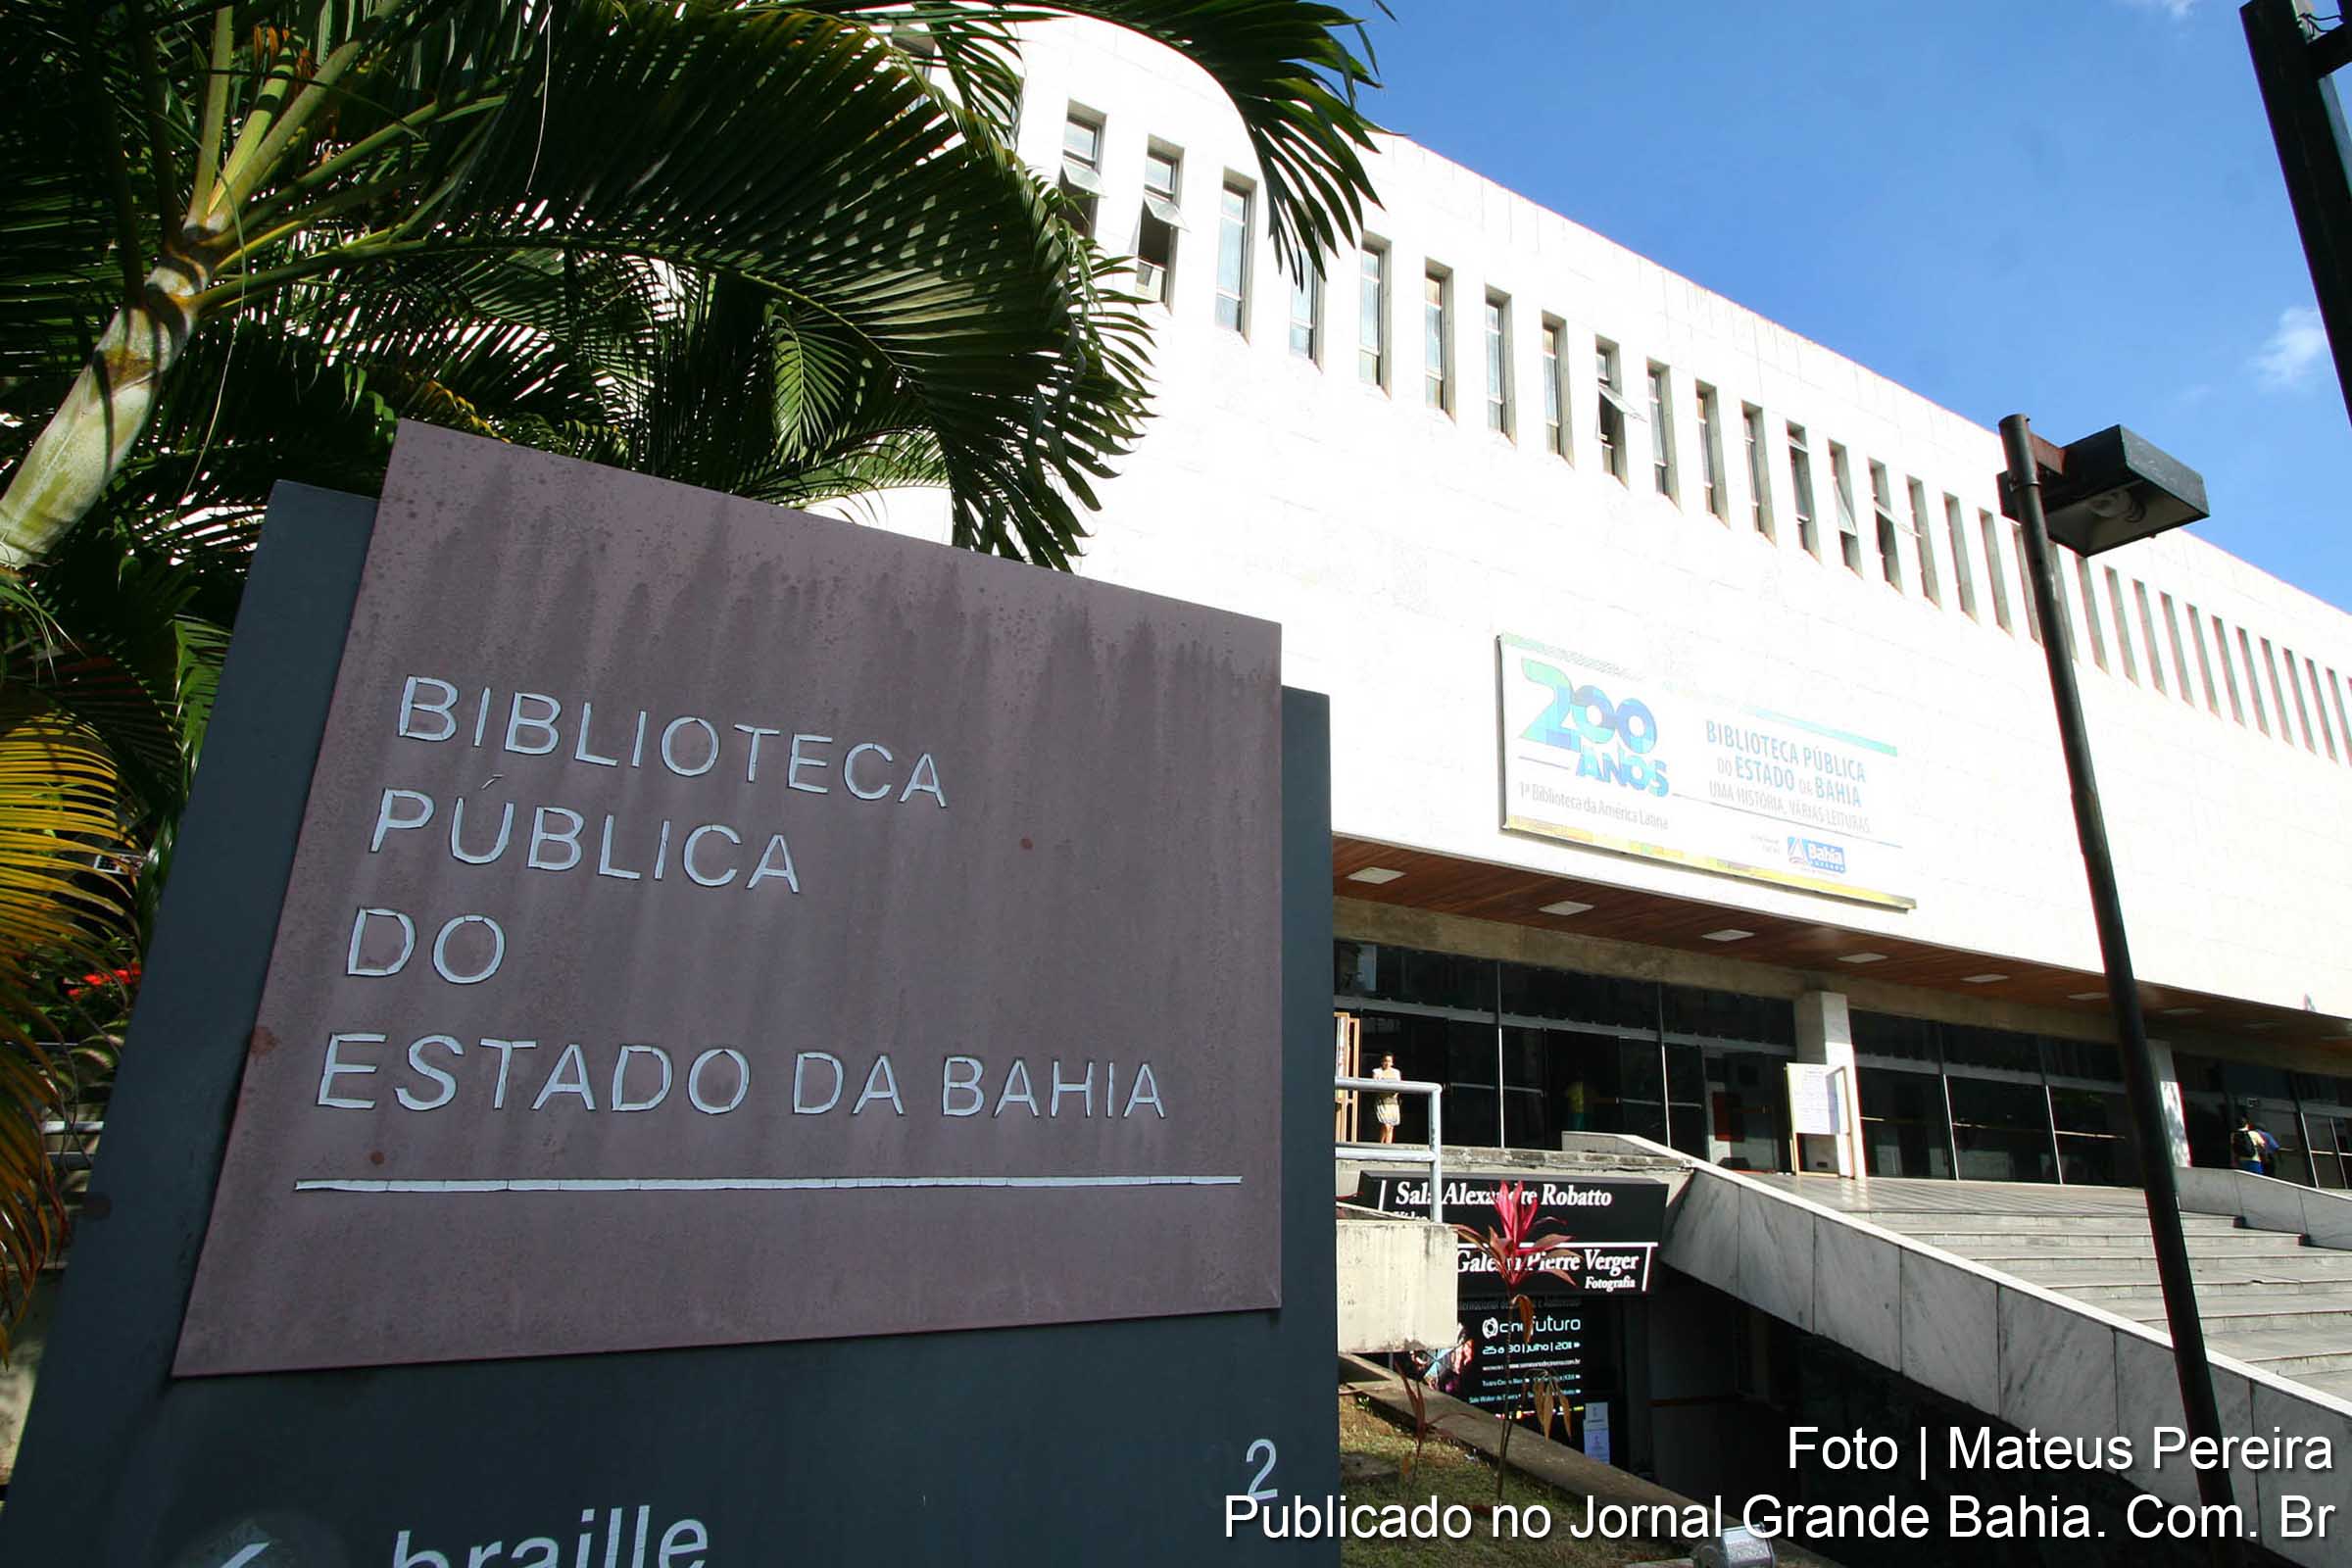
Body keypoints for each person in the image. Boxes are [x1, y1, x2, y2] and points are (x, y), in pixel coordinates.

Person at [2232, 1110, 2279, 1175]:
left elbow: (2233, 1149)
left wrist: (2235, 1162)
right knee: (2258, 1178)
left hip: (2242, 1161)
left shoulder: (2234, 1135)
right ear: (2247, 1125)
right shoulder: (2254, 1134)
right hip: (2254, 1160)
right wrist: (2265, 1158)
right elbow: (2263, 1146)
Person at [1372, 1054, 1403, 1145]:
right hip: (1382, 1100)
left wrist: (1396, 1094)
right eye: (1385, 1061)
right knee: (1386, 1123)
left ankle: (1386, 1144)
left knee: (1391, 1125)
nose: (1387, 1063)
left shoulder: (1396, 1072)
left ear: (1392, 1063)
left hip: (1393, 1100)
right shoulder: (1377, 1071)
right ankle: (1382, 1144)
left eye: (1389, 1061)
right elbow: (1374, 1084)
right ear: (1382, 1062)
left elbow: (1399, 1085)